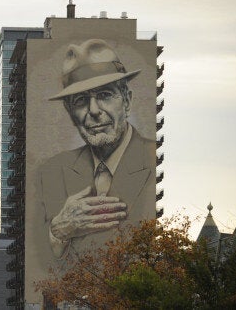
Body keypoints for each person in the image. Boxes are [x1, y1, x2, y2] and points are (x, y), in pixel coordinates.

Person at [36, 39, 156, 262]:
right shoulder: (50, 172)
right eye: (81, 101)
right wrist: (58, 232)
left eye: (104, 95)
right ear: (70, 111)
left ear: (127, 101)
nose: (93, 111)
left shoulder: (154, 159)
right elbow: (40, 267)